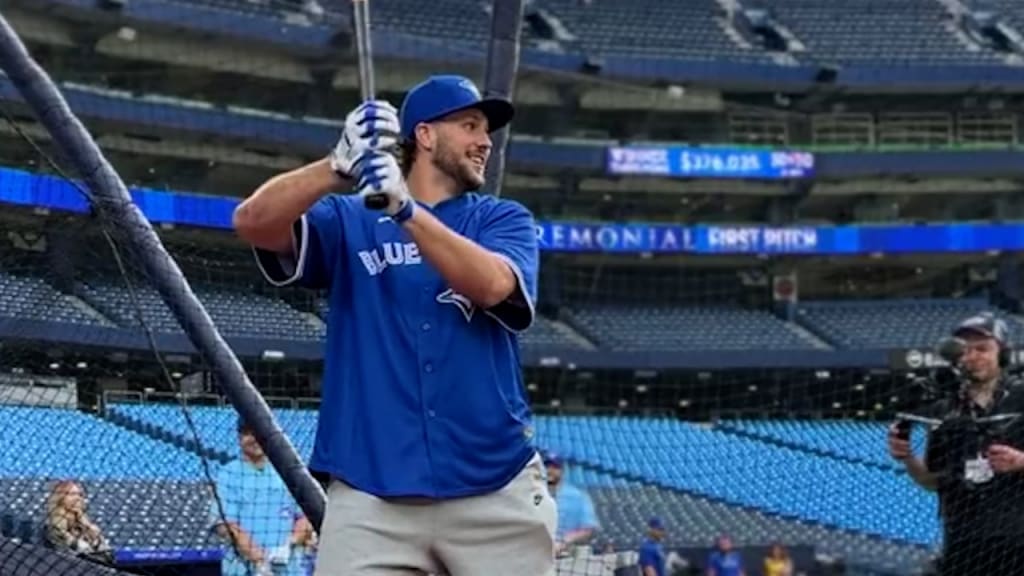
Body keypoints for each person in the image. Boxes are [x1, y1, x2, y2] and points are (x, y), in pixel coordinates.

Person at [233, 74, 554, 576]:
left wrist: (406, 211)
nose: (485, 142)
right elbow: (253, 222)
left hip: (495, 488)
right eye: (470, 125)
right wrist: (335, 167)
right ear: (425, 135)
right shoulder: (350, 218)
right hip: (371, 492)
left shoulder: (501, 218)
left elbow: (493, 286)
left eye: (486, 130)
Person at [887, 312, 1024, 575]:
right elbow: (931, 481)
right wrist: (906, 456)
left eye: (983, 349)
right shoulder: (944, 410)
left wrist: (1021, 461)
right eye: (965, 350)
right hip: (963, 540)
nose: (973, 356)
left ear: (1003, 353)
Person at [209, 418, 316, 576]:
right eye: (248, 434)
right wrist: (259, 561)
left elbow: (306, 517)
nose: (254, 439)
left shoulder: (286, 471)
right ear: (239, 437)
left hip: (289, 567)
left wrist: (288, 544)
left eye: (259, 433)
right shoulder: (228, 474)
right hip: (243, 569)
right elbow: (226, 525)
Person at [44, 480, 113, 564]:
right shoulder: (55, 526)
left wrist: (90, 529)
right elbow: (74, 550)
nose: (77, 498)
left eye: (79, 495)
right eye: (72, 494)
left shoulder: (84, 523)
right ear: (60, 498)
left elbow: (104, 549)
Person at [544, 451, 599, 555]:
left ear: (562, 470)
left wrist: (565, 541)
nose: (549, 471)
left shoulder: (578, 497)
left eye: (555, 467)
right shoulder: (533, 494)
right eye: (547, 467)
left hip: (568, 552)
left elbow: (588, 528)